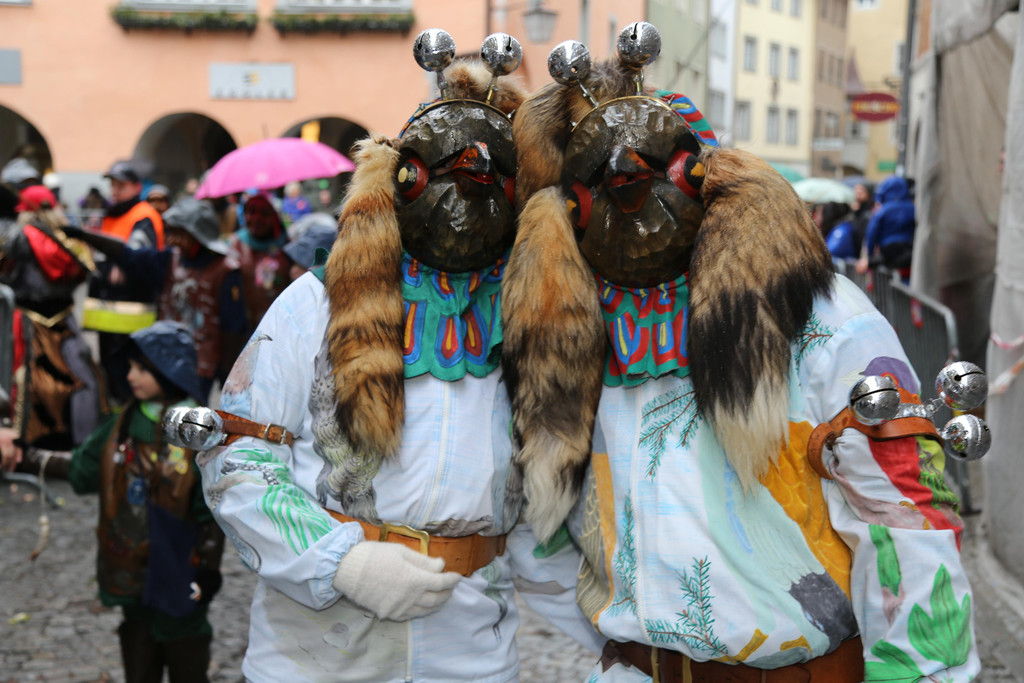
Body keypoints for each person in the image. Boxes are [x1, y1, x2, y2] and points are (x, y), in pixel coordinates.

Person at [502, 24, 979, 682]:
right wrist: (627, 632)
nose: (624, 187)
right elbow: (543, 519)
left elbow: (906, 517)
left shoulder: (821, 315)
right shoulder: (573, 331)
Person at [197, 35, 602, 681]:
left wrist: (629, 642)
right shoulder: (316, 302)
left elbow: (533, 518)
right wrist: (339, 561)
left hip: (469, 654)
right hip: (317, 653)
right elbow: (238, 453)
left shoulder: (531, 321)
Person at [68, 321, 224, 683]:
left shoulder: (195, 428)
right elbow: (81, 471)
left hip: (178, 567)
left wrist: (208, 570)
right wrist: (26, 456)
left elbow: (211, 509)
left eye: (142, 368)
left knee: (186, 655)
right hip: (131, 571)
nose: (130, 376)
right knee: (139, 657)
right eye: (130, 367)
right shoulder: (122, 423)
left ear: (169, 370)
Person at [66, 198, 248, 403]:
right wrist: (85, 235)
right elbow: (127, 255)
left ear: (198, 234)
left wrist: (227, 371)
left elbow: (233, 327)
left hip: (200, 365)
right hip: (165, 355)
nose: (172, 240)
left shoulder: (225, 271)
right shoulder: (170, 260)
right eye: (172, 233)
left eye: (179, 234)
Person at [0, 185, 105, 476]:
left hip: (31, 322)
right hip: (61, 322)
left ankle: (25, 448)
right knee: (80, 380)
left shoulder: (22, 236)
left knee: (27, 382)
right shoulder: (65, 236)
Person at [84, 160, 166, 404]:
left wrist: (120, 266)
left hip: (132, 317)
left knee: (128, 380)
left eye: (121, 185)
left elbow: (139, 258)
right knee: (111, 377)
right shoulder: (112, 215)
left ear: (136, 187)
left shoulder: (143, 216)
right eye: (112, 185)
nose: (115, 190)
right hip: (109, 316)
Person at [227, 192, 290, 332]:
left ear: (274, 216)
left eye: (264, 213)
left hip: (279, 327)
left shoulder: (287, 246)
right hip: (244, 329)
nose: (256, 218)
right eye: (251, 212)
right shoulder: (235, 245)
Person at [856, 174, 915, 277]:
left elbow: (872, 232)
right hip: (908, 247)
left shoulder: (883, 211)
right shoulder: (912, 208)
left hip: (887, 249)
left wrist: (870, 254)